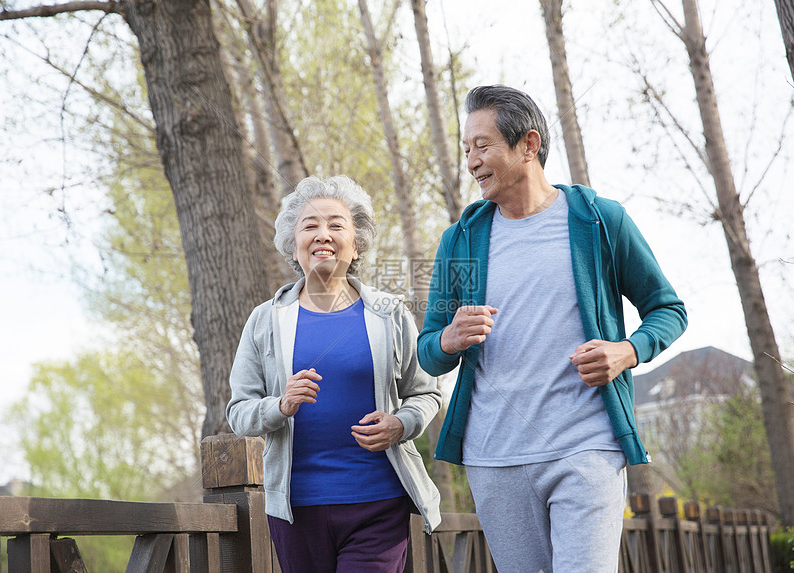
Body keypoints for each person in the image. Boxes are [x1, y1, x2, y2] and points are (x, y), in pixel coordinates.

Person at [417, 85, 687, 572]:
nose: (472, 161)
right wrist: (449, 338)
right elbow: (429, 351)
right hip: (494, 456)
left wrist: (627, 352)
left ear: (528, 144)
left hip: (587, 445)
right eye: (466, 150)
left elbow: (668, 309)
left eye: (483, 146)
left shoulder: (598, 222)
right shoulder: (461, 242)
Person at [227, 175, 442, 573]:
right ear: (294, 244)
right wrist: (280, 405)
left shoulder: (389, 313)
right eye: (310, 225)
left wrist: (400, 423)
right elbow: (239, 411)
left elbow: (426, 393)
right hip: (295, 509)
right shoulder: (265, 320)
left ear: (356, 243)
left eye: (336, 224)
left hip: (378, 502)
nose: (322, 234)